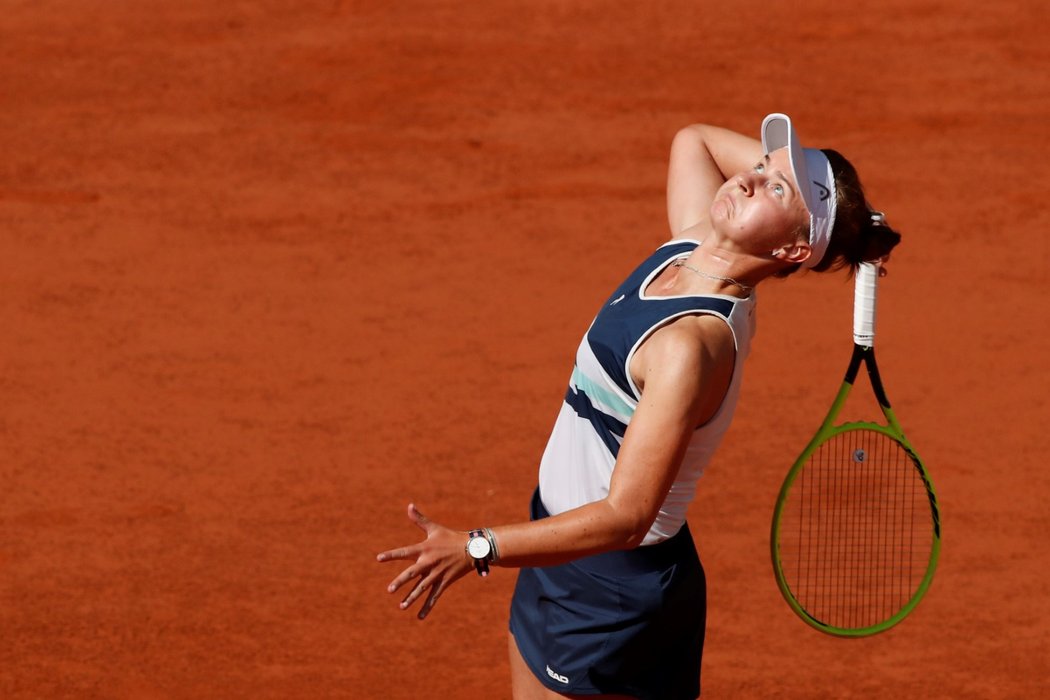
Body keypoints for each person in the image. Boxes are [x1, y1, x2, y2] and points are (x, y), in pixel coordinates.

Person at [376, 113, 902, 699]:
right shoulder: (690, 248)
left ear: (791, 248)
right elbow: (694, 140)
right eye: (758, 167)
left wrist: (478, 546)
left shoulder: (689, 346)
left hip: (608, 589)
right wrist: (834, 217)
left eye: (774, 189)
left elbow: (627, 517)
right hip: (560, 543)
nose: (747, 179)